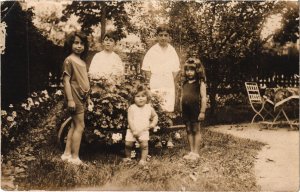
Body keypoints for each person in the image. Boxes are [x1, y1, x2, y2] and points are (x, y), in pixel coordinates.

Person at [60, 31, 92, 165]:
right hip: (74, 96)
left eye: (82, 44)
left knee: (74, 125)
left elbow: (84, 80)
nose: (79, 46)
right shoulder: (69, 60)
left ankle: (66, 154)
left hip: (83, 96)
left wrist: (88, 97)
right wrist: (71, 100)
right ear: (70, 44)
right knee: (80, 125)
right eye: (76, 43)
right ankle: (75, 157)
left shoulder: (82, 62)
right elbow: (66, 81)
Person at [142, 25, 180, 112]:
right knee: (156, 108)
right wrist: (155, 79)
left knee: (167, 108)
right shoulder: (152, 51)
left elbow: (175, 70)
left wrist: (167, 78)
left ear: (169, 37)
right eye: (161, 35)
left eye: (166, 35)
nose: (163, 38)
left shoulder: (172, 51)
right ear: (157, 36)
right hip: (155, 83)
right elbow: (146, 69)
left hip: (168, 83)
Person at [123, 85, 158, 166]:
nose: (140, 98)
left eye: (143, 96)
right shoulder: (132, 108)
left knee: (144, 145)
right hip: (132, 130)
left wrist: (153, 123)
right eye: (137, 96)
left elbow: (155, 116)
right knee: (128, 144)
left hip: (144, 130)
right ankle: (128, 158)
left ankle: (143, 160)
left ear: (147, 97)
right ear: (133, 98)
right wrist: (133, 130)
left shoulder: (149, 108)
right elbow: (130, 119)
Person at [181, 58, 207, 160]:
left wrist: (202, 111)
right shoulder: (184, 83)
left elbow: (204, 98)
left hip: (195, 110)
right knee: (188, 129)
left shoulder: (200, 83)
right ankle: (191, 151)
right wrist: (181, 108)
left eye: (192, 70)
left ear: (197, 70)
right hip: (186, 110)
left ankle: (196, 152)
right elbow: (182, 96)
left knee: (196, 130)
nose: (189, 72)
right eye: (187, 70)